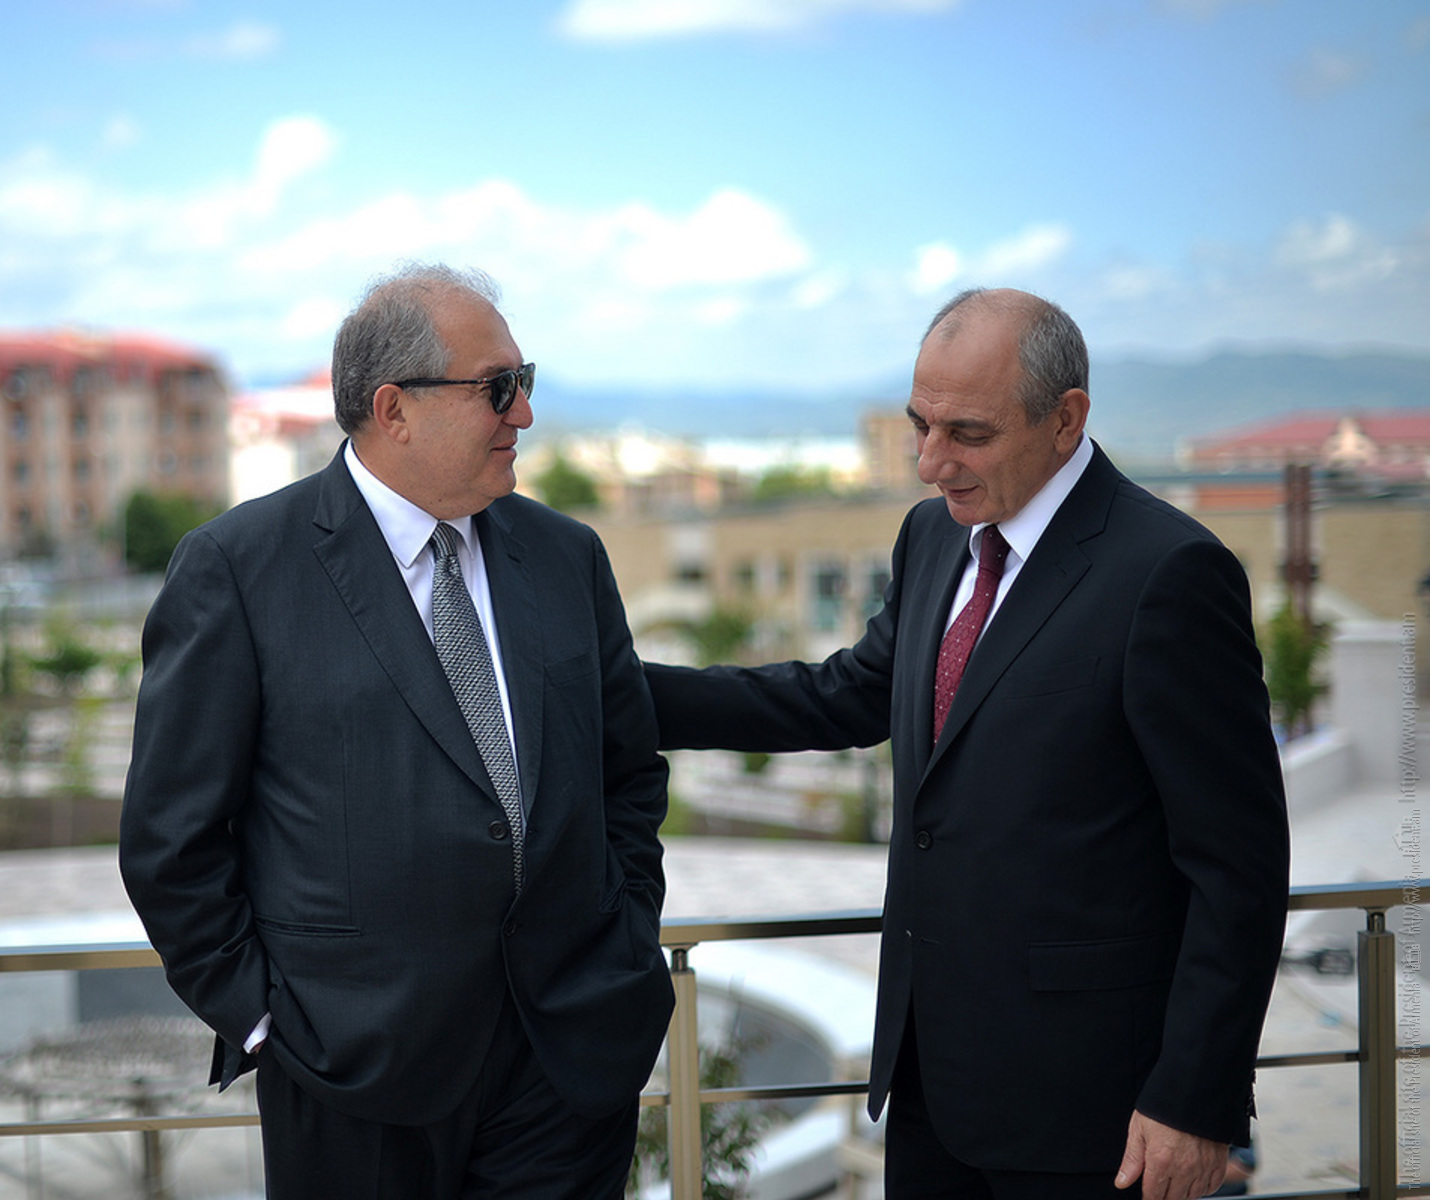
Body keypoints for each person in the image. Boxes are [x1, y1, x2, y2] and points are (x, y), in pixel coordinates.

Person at [644, 288, 1290, 1200]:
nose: (930, 463)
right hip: (928, 1090)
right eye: (920, 425)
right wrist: (617, 697)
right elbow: (848, 695)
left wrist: (1195, 1098)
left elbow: (1239, 866)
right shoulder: (934, 536)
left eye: (968, 435)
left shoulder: (1170, 572)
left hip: (1095, 1113)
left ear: (1066, 420)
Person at [120, 263, 673, 1199]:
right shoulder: (237, 568)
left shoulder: (566, 556)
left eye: (525, 380)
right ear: (394, 408)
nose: (524, 412)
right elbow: (171, 841)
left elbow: (627, 773)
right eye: (498, 387)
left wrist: (624, 929)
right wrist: (266, 1021)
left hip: (565, 1066)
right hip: (353, 1074)